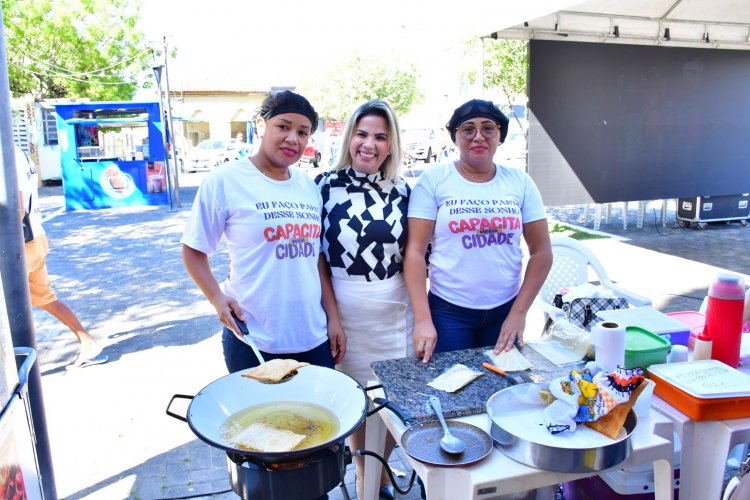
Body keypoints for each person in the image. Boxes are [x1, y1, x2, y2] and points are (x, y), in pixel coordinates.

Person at [181, 91, 345, 373]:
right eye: (283, 126)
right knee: (260, 418)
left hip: (313, 337)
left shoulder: (308, 187)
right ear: (260, 126)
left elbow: (315, 259)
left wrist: (334, 319)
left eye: (303, 132)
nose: (293, 138)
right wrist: (217, 299)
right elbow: (194, 250)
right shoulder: (226, 180)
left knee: (317, 417)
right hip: (253, 338)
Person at [404, 99, 553, 363]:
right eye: (467, 129)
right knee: (453, 392)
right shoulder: (434, 181)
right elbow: (415, 252)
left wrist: (519, 313)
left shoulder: (520, 182)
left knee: (503, 389)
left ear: (500, 135)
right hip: (448, 314)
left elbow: (542, 252)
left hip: (505, 311)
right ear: (455, 136)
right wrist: (423, 319)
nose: (478, 137)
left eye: (488, 128)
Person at [315, 100, 412, 500]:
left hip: (394, 308)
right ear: (349, 137)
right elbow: (317, 257)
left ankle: (382, 473)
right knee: (356, 396)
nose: (368, 144)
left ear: (391, 145)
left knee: (389, 399)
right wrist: (332, 317)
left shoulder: (407, 192)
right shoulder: (322, 186)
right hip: (345, 307)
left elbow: (416, 255)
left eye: (379, 136)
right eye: (362, 134)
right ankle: (362, 473)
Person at [14, 145, 107, 368]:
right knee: (46, 298)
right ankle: (87, 342)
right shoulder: (18, 151)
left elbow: (16, 208)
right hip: (34, 237)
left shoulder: (5, 153)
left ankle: (15, 366)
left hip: (18, 245)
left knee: (14, 306)